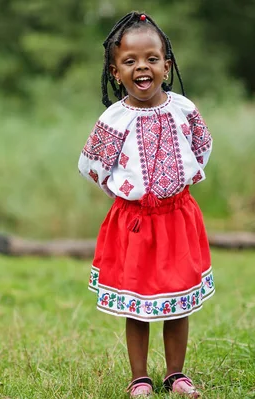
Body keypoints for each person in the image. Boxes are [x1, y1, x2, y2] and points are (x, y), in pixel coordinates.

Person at [78, 11, 214, 398]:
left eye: (151, 59)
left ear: (166, 66)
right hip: (134, 222)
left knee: (177, 299)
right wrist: (125, 194)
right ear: (115, 70)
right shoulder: (114, 118)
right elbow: (91, 166)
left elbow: (203, 149)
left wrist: (177, 186)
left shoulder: (184, 110)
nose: (142, 67)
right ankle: (140, 378)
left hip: (177, 218)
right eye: (130, 61)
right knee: (136, 304)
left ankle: (176, 375)